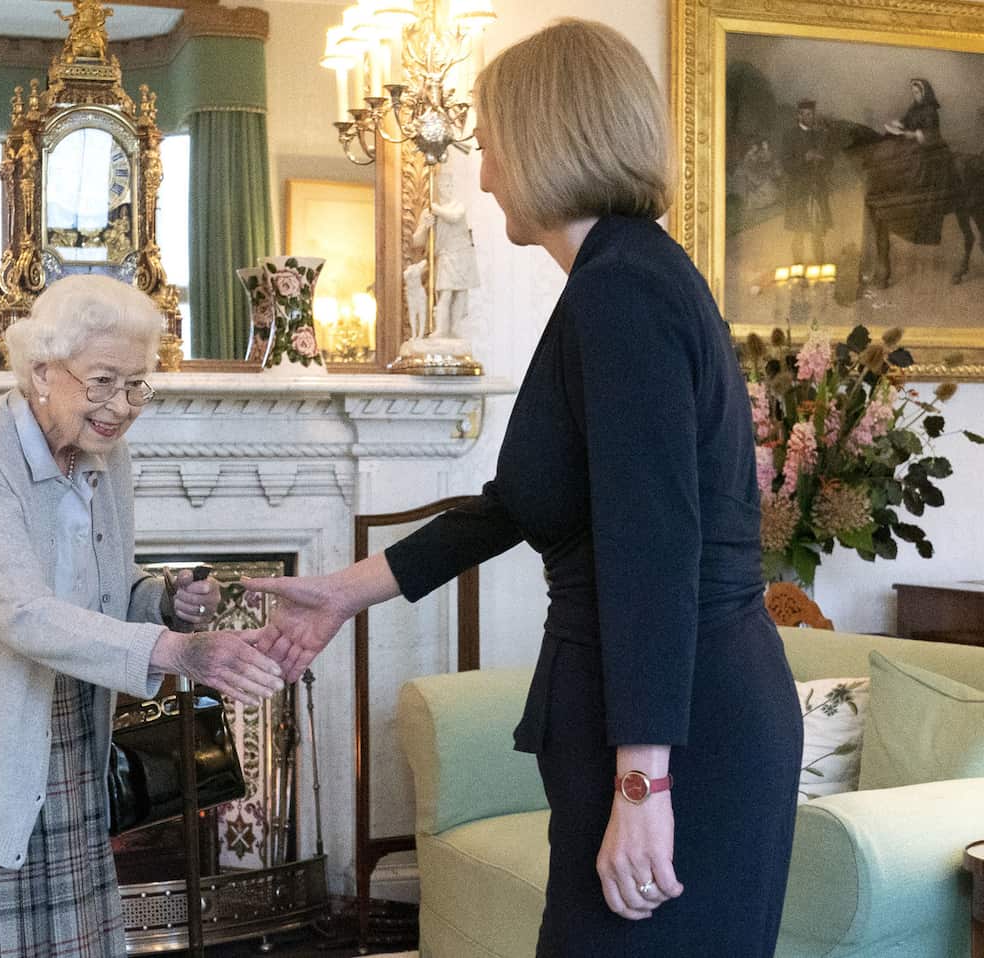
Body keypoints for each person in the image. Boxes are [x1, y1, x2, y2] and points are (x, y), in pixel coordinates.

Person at [245, 18, 802, 957]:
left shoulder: (622, 288)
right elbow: (520, 503)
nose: (487, 167)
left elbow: (652, 546)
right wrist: (344, 591)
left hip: (686, 731)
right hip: (663, 719)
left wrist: (643, 785)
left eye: (492, 137)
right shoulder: (614, 278)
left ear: (549, 136)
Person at [0, 274, 284, 957]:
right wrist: (177, 652)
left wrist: (162, 598)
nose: (120, 406)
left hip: (64, 731)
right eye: (101, 381)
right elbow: (23, 613)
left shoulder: (105, 456)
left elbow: (102, 586)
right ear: (42, 371)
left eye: (137, 385)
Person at [410, 167, 481, 339]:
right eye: (444, 186)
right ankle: (441, 329)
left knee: (461, 295)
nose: (448, 190)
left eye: (450, 186)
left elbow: (455, 217)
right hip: (446, 256)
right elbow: (417, 241)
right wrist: (425, 227)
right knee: (446, 293)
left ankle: (455, 328)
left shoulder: (456, 206)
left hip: (462, 254)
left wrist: (437, 210)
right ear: (438, 189)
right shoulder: (429, 212)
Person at [883, 77, 954, 244]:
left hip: (931, 149)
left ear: (924, 92)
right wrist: (897, 124)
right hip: (916, 146)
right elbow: (907, 120)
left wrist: (914, 134)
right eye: (913, 93)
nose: (915, 96)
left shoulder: (930, 110)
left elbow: (931, 134)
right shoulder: (914, 108)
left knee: (919, 170)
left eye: (917, 92)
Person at [782, 99, 833, 264]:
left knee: (817, 232)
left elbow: (830, 163)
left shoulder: (820, 135)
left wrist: (824, 160)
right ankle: (798, 269)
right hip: (798, 192)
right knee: (799, 232)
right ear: (799, 115)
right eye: (807, 114)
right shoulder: (790, 136)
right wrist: (805, 158)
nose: (810, 117)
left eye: (812, 114)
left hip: (816, 189)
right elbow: (786, 165)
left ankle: (820, 267)